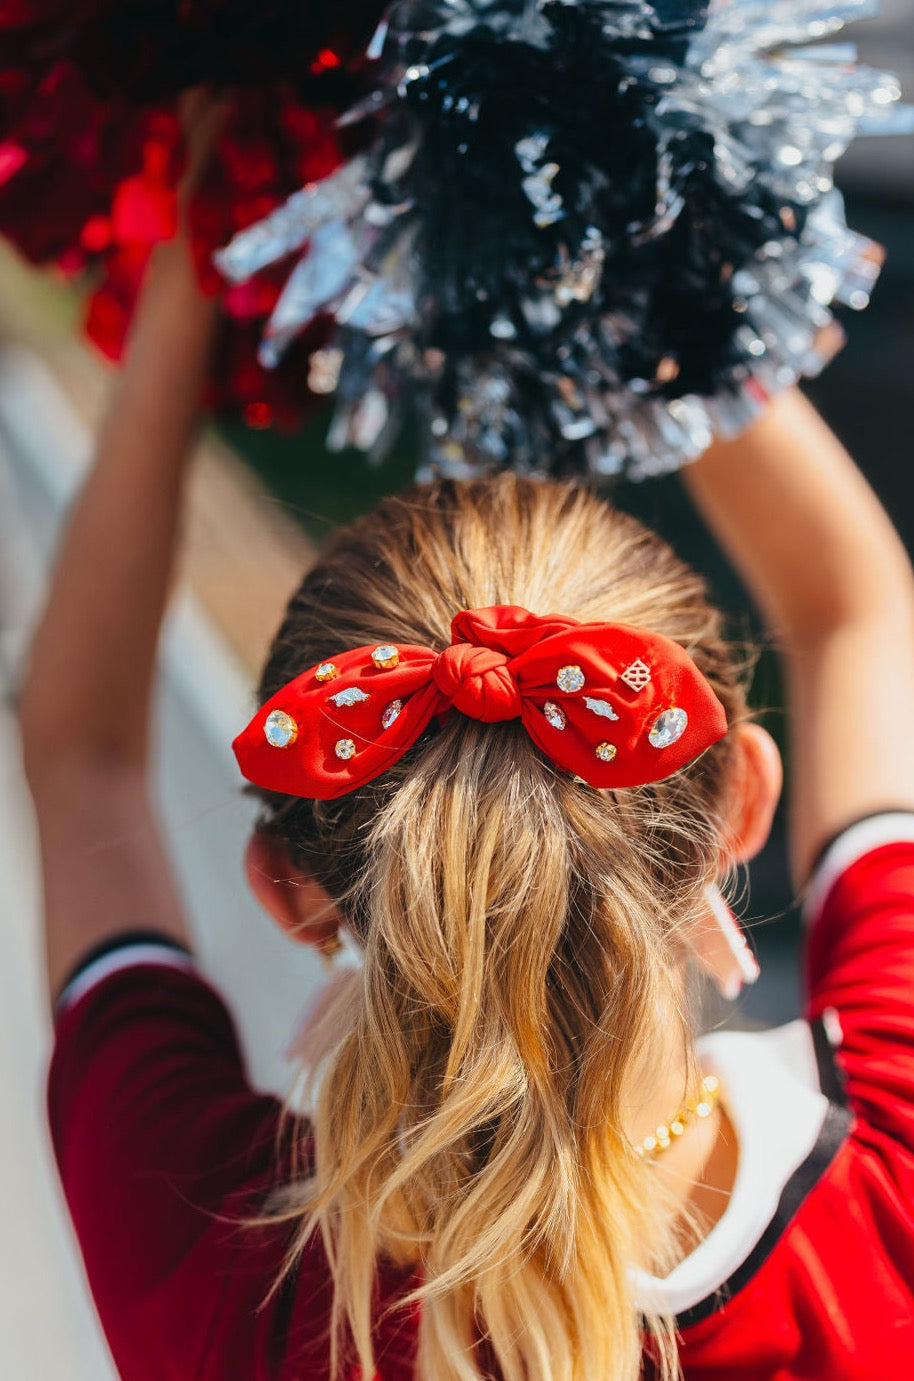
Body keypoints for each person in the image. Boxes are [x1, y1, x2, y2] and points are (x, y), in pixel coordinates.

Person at [20, 200, 914, 1380]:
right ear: (738, 804)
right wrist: (632, 212)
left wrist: (196, 249)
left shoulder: (226, 1256)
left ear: (286, 889)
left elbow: (77, 755)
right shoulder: (884, 1171)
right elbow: (853, 609)